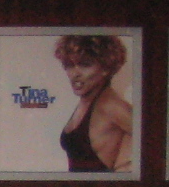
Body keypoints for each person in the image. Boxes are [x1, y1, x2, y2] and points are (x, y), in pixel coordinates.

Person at [54, 34, 133, 173]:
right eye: (69, 65)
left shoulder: (111, 106)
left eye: (85, 65)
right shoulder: (87, 101)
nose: (75, 74)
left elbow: (154, 138)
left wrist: (124, 167)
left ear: (106, 68)